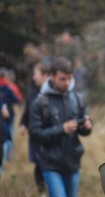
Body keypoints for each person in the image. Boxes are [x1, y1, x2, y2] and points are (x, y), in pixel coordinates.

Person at [29, 57, 93, 197]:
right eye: (62, 79)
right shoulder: (40, 102)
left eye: (70, 78)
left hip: (73, 164)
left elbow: (84, 131)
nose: (67, 83)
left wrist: (87, 126)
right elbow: (34, 134)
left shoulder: (77, 99)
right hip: (51, 166)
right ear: (52, 76)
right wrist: (61, 129)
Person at [19, 63, 50, 196]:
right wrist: (22, 123)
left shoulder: (52, 92)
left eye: (35, 74)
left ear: (45, 76)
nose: (33, 77)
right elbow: (27, 110)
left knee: (48, 163)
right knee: (38, 163)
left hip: (49, 135)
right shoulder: (32, 91)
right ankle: (41, 191)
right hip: (35, 135)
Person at [0, 68, 23, 174]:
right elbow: (18, 99)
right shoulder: (10, 87)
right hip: (8, 117)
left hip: (4, 117)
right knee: (8, 137)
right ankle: (7, 159)